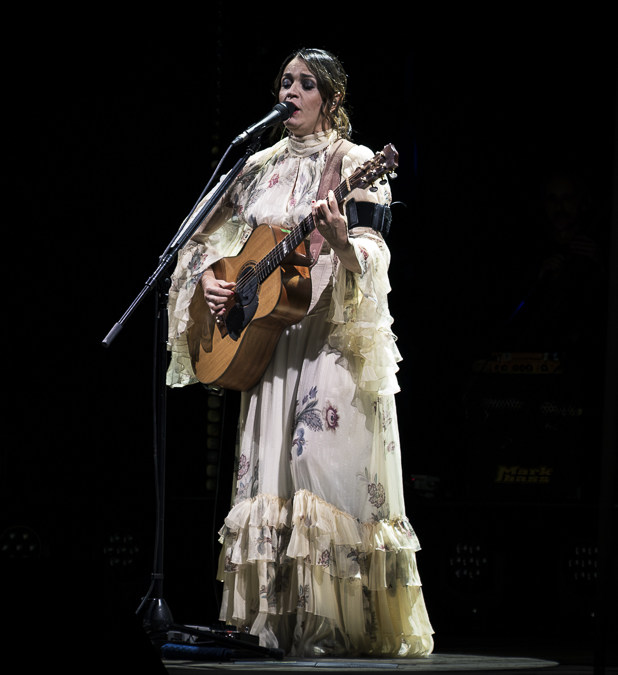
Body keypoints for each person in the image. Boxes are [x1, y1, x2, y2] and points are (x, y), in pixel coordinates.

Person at [165, 49, 434, 657]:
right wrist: (210, 274)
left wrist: (341, 244)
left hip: (326, 337)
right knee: (269, 476)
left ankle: (333, 626)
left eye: (305, 83)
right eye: (284, 81)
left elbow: (374, 253)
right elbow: (201, 242)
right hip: (268, 339)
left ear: (331, 99)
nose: (291, 90)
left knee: (317, 468)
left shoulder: (355, 162)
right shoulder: (255, 165)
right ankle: (269, 626)